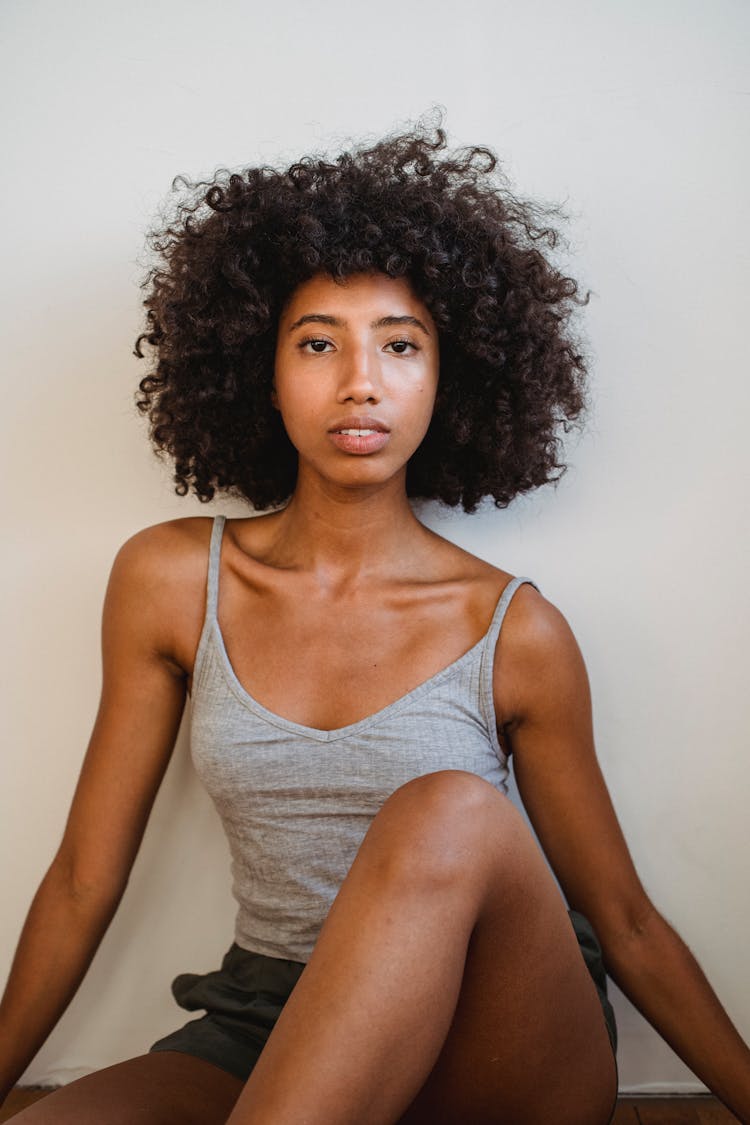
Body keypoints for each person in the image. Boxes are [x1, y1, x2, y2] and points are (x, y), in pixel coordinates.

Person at [1, 117, 748, 1125]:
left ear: (451, 377)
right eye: (319, 344)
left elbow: (625, 921)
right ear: (261, 372)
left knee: (447, 808)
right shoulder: (173, 579)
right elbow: (85, 880)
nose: (362, 380)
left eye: (401, 345)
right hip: (265, 1011)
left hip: (498, 1032)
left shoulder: (512, 630)